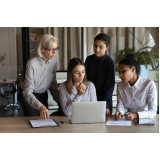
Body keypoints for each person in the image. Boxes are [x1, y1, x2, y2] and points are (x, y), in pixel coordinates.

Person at [20, 34, 62, 119]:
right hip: (29, 96)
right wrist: (40, 106)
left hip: (43, 95)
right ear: (41, 49)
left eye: (56, 48)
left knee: (44, 123)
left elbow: (53, 85)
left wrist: (60, 103)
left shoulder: (54, 61)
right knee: (33, 122)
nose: (54, 52)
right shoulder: (32, 64)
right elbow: (27, 92)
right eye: (51, 49)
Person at [115, 54, 157, 121]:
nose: (120, 75)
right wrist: (120, 112)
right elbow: (120, 105)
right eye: (119, 72)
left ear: (133, 69)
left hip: (145, 120)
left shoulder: (149, 85)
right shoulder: (120, 86)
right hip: (128, 121)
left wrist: (135, 115)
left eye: (123, 71)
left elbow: (153, 111)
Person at [85, 33, 115, 117]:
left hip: (103, 98)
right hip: (89, 97)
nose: (97, 49)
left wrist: (106, 105)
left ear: (107, 47)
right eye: (95, 46)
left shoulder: (110, 62)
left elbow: (110, 86)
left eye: (101, 47)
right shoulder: (89, 59)